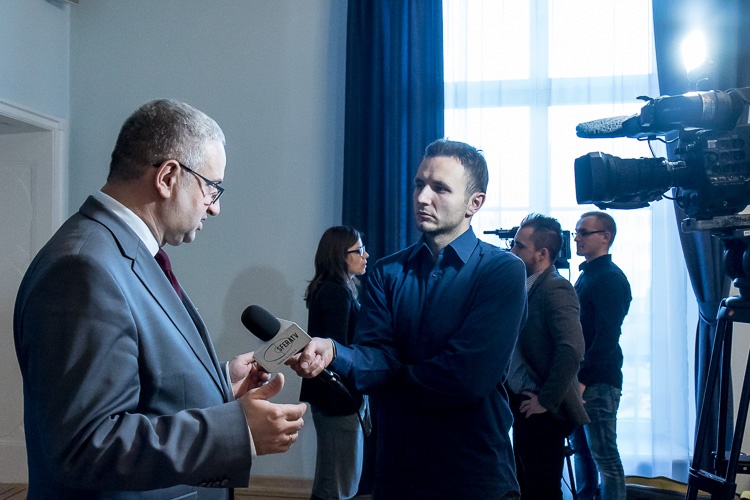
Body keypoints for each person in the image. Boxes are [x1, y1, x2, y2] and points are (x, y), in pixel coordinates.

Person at [13, 99, 307, 500]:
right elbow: (85, 445)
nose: (216, 208)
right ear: (168, 177)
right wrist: (237, 430)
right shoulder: (82, 268)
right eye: (212, 187)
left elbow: (138, 385)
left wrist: (219, 382)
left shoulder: (121, 253)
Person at [288, 139, 528, 499]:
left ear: (474, 203)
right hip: (398, 471)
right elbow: (376, 356)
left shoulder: (502, 270)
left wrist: (386, 378)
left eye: (440, 188)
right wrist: (335, 351)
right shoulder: (387, 272)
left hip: (474, 472)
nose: (422, 197)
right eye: (419, 184)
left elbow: (466, 378)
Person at [506, 213, 589, 499]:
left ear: (542, 254)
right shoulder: (528, 285)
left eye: (519, 246)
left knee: (541, 490)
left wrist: (545, 400)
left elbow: (572, 348)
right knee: (525, 485)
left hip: (542, 410)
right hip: (524, 404)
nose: (512, 251)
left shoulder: (556, 287)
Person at [299, 225, 370, 500]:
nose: (365, 255)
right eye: (359, 250)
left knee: (337, 479)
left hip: (334, 398)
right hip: (338, 399)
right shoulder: (336, 292)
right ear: (341, 255)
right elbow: (336, 352)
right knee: (337, 485)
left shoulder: (332, 289)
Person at [568, 211, 632, 500]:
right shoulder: (590, 274)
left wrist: (583, 380)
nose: (577, 238)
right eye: (576, 232)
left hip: (597, 382)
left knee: (605, 457)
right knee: (582, 453)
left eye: (584, 232)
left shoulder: (608, 278)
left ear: (605, 237)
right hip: (584, 379)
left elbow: (607, 336)